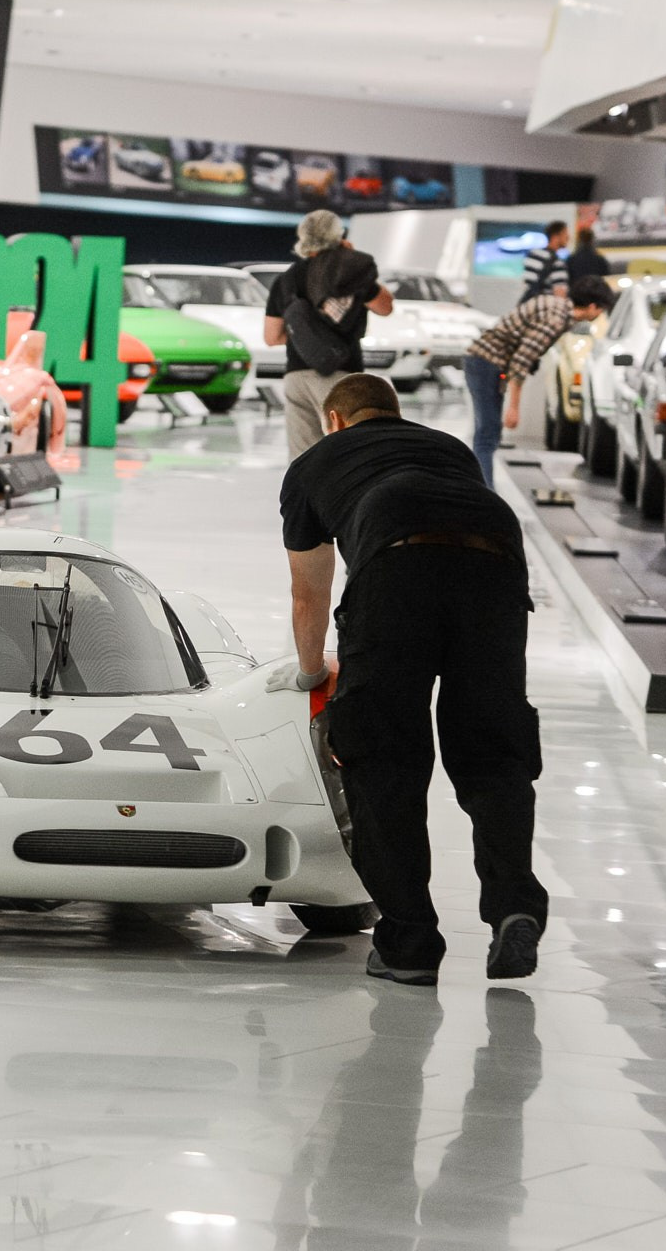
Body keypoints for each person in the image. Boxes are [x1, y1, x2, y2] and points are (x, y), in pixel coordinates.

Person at [274, 372, 545, 987]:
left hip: (395, 565)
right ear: (393, 412)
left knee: (383, 757)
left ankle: (410, 944)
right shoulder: (448, 448)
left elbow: (308, 591)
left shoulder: (314, 464)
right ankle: (515, 906)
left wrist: (313, 671)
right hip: (496, 559)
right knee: (493, 749)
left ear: (334, 420)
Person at [263, 210, 394, 460]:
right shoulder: (349, 272)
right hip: (340, 374)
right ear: (338, 235)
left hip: (296, 375)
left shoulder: (286, 279)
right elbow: (385, 307)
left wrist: (306, 336)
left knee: (304, 459)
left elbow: (272, 337)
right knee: (348, 453)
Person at [462, 275, 614, 482]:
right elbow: (521, 361)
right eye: (601, 309)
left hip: (486, 361)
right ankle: (484, 491)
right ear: (592, 306)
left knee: (489, 432)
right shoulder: (557, 319)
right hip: (485, 362)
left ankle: (483, 487)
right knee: (487, 433)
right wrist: (514, 408)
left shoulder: (558, 307)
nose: (600, 314)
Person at [519, 221, 570, 302]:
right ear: (555, 236)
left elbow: (527, 283)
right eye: (565, 234)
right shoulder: (558, 263)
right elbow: (560, 296)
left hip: (529, 304)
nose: (568, 238)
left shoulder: (533, 255)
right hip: (546, 306)